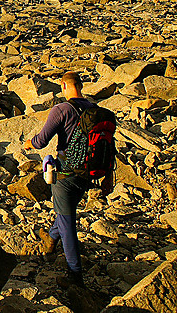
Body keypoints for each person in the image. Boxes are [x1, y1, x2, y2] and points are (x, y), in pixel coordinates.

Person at [23, 71, 114, 288]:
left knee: (67, 223)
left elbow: (41, 140)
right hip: (88, 174)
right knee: (66, 213)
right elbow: (109, 145)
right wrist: (108, 177)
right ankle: (50, 240)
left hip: (65, 175)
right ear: (81, 86)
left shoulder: (61, 109)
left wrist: (28, 144)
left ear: (63, 87)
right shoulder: (95, 111)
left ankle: (75, 275)